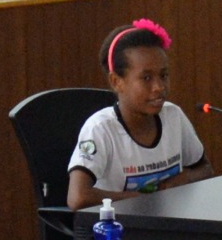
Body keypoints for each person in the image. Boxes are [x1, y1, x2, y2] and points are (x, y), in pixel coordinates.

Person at [66, 18, 207, 207]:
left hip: (169, 221)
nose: (159, 87)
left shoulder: (174, 116)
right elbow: (78, 197)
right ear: (116, 82)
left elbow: (205, 169)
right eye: (146, 78)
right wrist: (142, 200)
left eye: (163, 75)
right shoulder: (100, 129)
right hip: (119, 224)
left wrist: (186, 177)